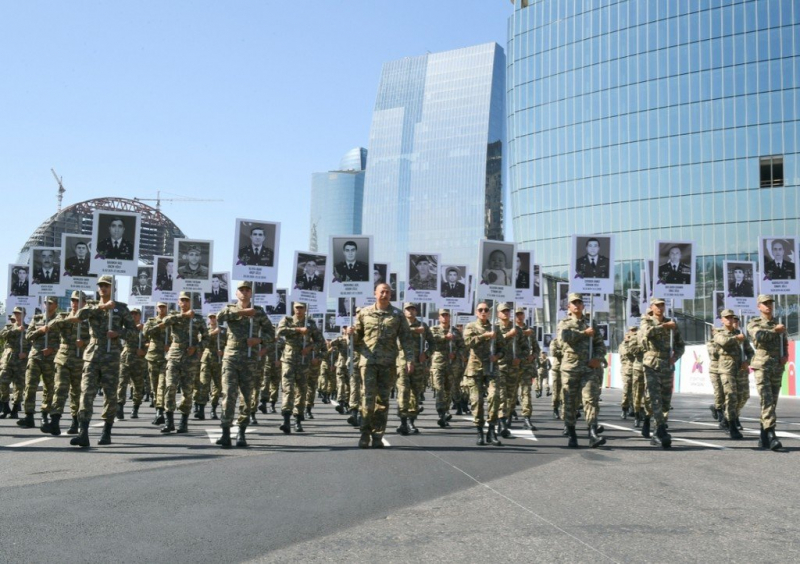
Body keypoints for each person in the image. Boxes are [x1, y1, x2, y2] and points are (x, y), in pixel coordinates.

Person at [68, 275, 137, 447]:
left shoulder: (121, 309)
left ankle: (106, 431)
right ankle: (83, 432)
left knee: (110, 394)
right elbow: (79, 315)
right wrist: (102, 307)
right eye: (101, 286)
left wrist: (118, 333)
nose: (103, 288)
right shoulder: (92, 306)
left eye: (107, 285)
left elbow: (134, 332)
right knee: (86, 393)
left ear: (112, 288)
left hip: (111, 355)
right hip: (92, 354)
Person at [350, 283, 414, 448]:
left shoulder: (398, 315)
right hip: (368, 362)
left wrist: (409, 359)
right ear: (375, 294)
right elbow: (356, 341)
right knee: (368, 399)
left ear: (391, 295)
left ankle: (378, 435)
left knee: (383, 400)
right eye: (382, 292)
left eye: (387, 292)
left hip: (387, 363)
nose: (385, 295)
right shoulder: (364, 313)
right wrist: (350, 335)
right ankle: (365, 433)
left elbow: (406, 339)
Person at [215, 281, 274, 448]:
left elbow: (272, 333)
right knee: (228, 395)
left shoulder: (259, 312)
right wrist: (242, 312)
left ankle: (241, 431)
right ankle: (225, 432)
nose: (245, 292)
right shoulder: (230, 309)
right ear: (236, 293)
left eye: (248, 290)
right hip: (231, 357)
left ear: (251, 293)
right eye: (241, 290)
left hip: (250, 359)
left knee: (247, 397)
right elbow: (220, 317)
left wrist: (259, 340)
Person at [557, 293, 607, 448]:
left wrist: (597, 358)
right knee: (570, 402)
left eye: (579, 302)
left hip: (588, 368)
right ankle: (572, 433)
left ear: (583, 305)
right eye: (574, 303)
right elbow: (564, 338)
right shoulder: (564, 323)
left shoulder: (591, 323)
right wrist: (583, 333)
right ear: (569, 307)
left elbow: (600, 344)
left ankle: (592, 433)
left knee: (591, 399)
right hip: (570, 368)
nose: (577, 305)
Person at [158, 292, 208, 434]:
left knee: (187, 390)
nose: (184, 303)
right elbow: (164, 322)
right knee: (170, 387)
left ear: (191, 302)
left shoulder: (198, 319)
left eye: (187, 300)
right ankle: (169, 421)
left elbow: (206, 338)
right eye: (182, 300)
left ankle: (183, 422)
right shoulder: (174, 317)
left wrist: (197, 348)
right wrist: (183, 316)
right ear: (178, 302)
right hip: (174, 356)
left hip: (190, 357)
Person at [640, 297, 686, 448]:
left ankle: (652, 422)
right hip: (651, 364)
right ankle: (659, 431)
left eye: (662, 305)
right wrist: (665, 326)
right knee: (655, 398)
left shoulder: (672, 323)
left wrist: (675, 357)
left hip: (666, 364)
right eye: (657, 306)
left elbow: (680, 344)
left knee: (665, 401)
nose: (660, 308)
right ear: (652, 307)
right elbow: (647, 333)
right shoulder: (646, 321)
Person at [746, 294, 788, 451]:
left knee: (772, 402)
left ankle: (763, 436)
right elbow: (759, 336)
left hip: (776, 366)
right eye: (765, 303)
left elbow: (784, 340)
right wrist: (774, 330)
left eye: (770, 303)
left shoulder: (779, 323)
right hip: (762, 366)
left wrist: (786, 356)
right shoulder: (754, 323)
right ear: (759, 306)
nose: (768, 305)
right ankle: (771, 435)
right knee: (767, 400)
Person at [463, 301, 506, 446]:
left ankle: (492, 430)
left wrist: (497, 356)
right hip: (475, 369)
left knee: (494, 397)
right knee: (477, 400)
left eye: (486, 310)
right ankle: (479, 431)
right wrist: (485, 336)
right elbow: (468, 342)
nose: (483, 312)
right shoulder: (471, 326)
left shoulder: (496, 328)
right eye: (480, 310)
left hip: (492, 368)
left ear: (489, 312)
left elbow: (503, 349)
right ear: (476, 312)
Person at [45, 292, 89, 435]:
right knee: (60, 389)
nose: (75, 303)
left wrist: (84, 343)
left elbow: (98, 338)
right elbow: (50, 325)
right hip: (63, 358)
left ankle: (75, 421)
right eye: (73, 300)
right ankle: (55, 421)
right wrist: (70, 319)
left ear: (84, 302)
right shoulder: (63, 316)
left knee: (76, 392)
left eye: (78, 301)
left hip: (80, 360)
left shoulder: (88, 319)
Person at [275, 302, 323, 433]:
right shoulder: (287, 320)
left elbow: (320, 341)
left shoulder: (311, 323)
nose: (299, 310)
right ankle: (286, 419)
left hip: (303, 360)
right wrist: (297, 330)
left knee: (301, 390)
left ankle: (297, 419)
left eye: (301, 307)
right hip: (289, 359)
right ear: (293, 308)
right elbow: (279, 331)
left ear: (305, 308)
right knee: (287, 389)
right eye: (297, 307)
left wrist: (310, 347)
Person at [18, 296, 60, 431]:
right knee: (30, 386)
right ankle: (29, 415)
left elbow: (66, 339)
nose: (47, 305)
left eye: (51, 303)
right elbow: (28, 336)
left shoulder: (60, 320)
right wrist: (40, 331)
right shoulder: (37, 319)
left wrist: (53, 349)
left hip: (51, 359)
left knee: (50, 388)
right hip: (35, 357)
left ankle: (44, 414)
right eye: (46, 302)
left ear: (56, 305)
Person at [395, 303, 434, 435]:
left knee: (415, 392)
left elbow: (433, 343)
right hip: (402, 362)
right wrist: (414, 331)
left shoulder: (423, 326)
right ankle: (403, 421)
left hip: (418, 363)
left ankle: (412, 420)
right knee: (403, 390)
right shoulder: (399, 324)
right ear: (404, 311)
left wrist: (427, 354)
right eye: (408, 309)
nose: (410, 311)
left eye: (413, 309)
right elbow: (394, 339)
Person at [714, 309, 753, 440]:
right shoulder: (719, 333)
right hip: (726, 368)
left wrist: (747, 361)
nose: (730, 320)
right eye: (727, 318)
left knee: (744, 396)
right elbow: (724, 342)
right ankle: (732, 426)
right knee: (731, 395)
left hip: (740, 369)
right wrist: (737, 338)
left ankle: (728, 417)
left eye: (732, 318)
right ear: (722, 320)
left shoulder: (740, 334)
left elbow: (750, 352)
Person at [430, 309, 465, 429]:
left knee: (448, 390)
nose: (445, 317)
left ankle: (445, 411)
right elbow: (432, 340)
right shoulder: (434, 329)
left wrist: (455, 353)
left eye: (446, 315)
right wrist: (445, 337)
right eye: (442, 315)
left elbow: (462, 347)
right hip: (438, 363)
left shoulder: (455, 331)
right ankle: (441, 411)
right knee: (439, 388)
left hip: (452, 364)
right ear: (439, 317)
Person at [116, 307, 146, 420]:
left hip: (139, 359)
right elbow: (121, 336)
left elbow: (151, 343)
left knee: (138, 386)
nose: (134, 316)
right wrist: (134, 330)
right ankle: (120, 407)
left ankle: (135, 407)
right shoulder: (127, 328)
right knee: (121, 383)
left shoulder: (145, 328)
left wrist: (144, 351)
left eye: (136, 314)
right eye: (132, 314)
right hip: (126, 358)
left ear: (139, 316)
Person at [0, 307, 31, 419]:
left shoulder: (28, 328)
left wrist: (26, 354)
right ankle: (5, 405)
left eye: (20, 313)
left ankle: (15, 408)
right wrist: (17, 330)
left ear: (24, 314)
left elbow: (34, 345)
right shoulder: (9, 327)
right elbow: (3, 335)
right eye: (16, 313)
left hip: (21, 361)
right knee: (3, 381)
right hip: (8, 359)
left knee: (19, 386)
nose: (17, 316)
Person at [143, 302, 170, 424]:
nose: (162, 309)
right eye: (160, 307)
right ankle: (157, 409)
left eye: (164, 306)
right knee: (154, 386)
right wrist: (159, 326)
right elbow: (146, 333)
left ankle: (160, 411)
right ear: (156, 308)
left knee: (162, 385)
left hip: (167, 357)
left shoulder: (172, 320)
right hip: (153, 356)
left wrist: (170, 345)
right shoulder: (151, 321)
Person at [197, 312, 225, 420]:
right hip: (207, 360)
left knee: (217, 387)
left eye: (214, 317)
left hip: (218, 361)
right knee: (204, 384)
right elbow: (201, 340)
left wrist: (223, 351)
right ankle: (201, 409)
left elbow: (229, 344)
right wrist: (213, 333)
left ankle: (213, 409)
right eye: (211, 317)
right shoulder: (205, 330)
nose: (212, 319)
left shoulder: (223, 331)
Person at [516, 307, 540, 431]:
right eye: (516, 314)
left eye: (521, 314)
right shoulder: (509, 329)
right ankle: (507, 416)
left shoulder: (530, 331)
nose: (519, 316)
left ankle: (526, 418)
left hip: (526, 366)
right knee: (509, 394)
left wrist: (533, 356)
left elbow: (537, 348)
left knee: (526, 393)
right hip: (512, 367)